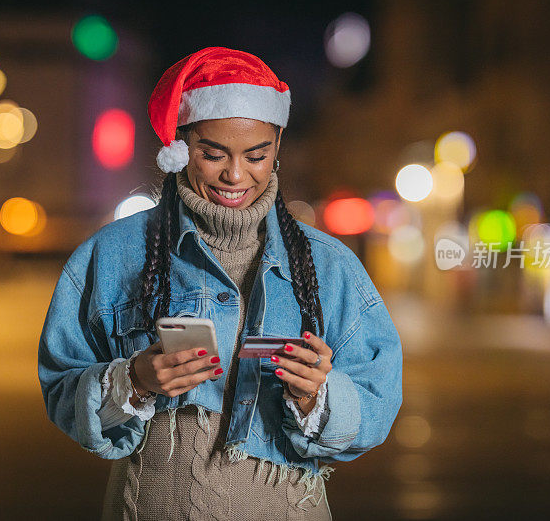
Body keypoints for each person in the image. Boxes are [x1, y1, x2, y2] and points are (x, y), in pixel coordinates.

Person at [38, 46, 403, 520]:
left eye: (256, 155)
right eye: (213, 154)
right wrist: (135, 380)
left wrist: (318, 395)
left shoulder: (328, 265)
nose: (235, 174)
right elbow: (60, 386)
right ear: (181, 148)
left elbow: (379, 401)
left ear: (277, 149)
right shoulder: (113, 255)